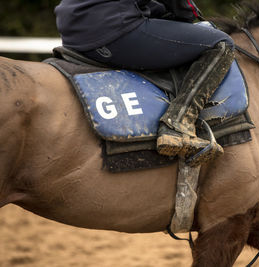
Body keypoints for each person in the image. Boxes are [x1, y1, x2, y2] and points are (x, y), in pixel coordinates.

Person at [55, 0, 235, 164]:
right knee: (221, 44)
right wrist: (189, 14)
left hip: (74, 30)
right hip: (112, 29)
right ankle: (178, 124)